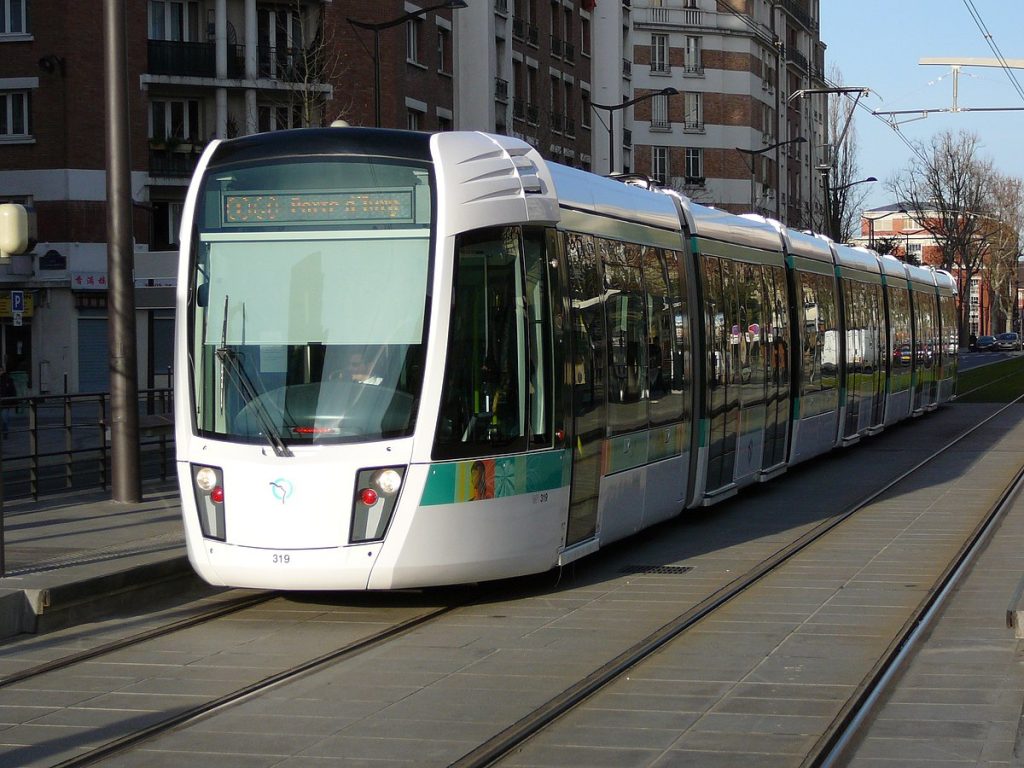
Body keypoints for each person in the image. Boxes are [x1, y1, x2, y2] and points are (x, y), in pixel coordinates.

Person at [0, 368, 15, 438]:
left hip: (5, 403)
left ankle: (5, 433)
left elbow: (13, 391)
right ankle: (4, 432)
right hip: (5, 402)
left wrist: (13, 402)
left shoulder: (8, 379)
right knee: (5, 418)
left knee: (5, 418)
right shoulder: (8, 379)